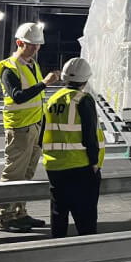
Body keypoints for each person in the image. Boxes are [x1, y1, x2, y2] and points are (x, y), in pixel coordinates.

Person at [0, 22, 60, 232]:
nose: (35, 49)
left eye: (38, 45)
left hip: (34, 125)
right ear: (19, 43)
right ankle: (6, 217)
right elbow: (18, 97)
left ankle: (20, 213)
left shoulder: (31, 65)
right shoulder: (9, 68)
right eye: (31, 45)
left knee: (27, 174)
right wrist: (45, 84)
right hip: (19, 129)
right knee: (14, 174)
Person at [42, 57, 105, 237]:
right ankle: (86, 254)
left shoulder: (52, 99)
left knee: (58, 211)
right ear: (85, 80)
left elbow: (43, 133)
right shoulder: (83, 99)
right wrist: (94, 162)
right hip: (80, 165)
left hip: (54, 166)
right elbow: (90, 135)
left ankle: (59, 251)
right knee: (85, 214)